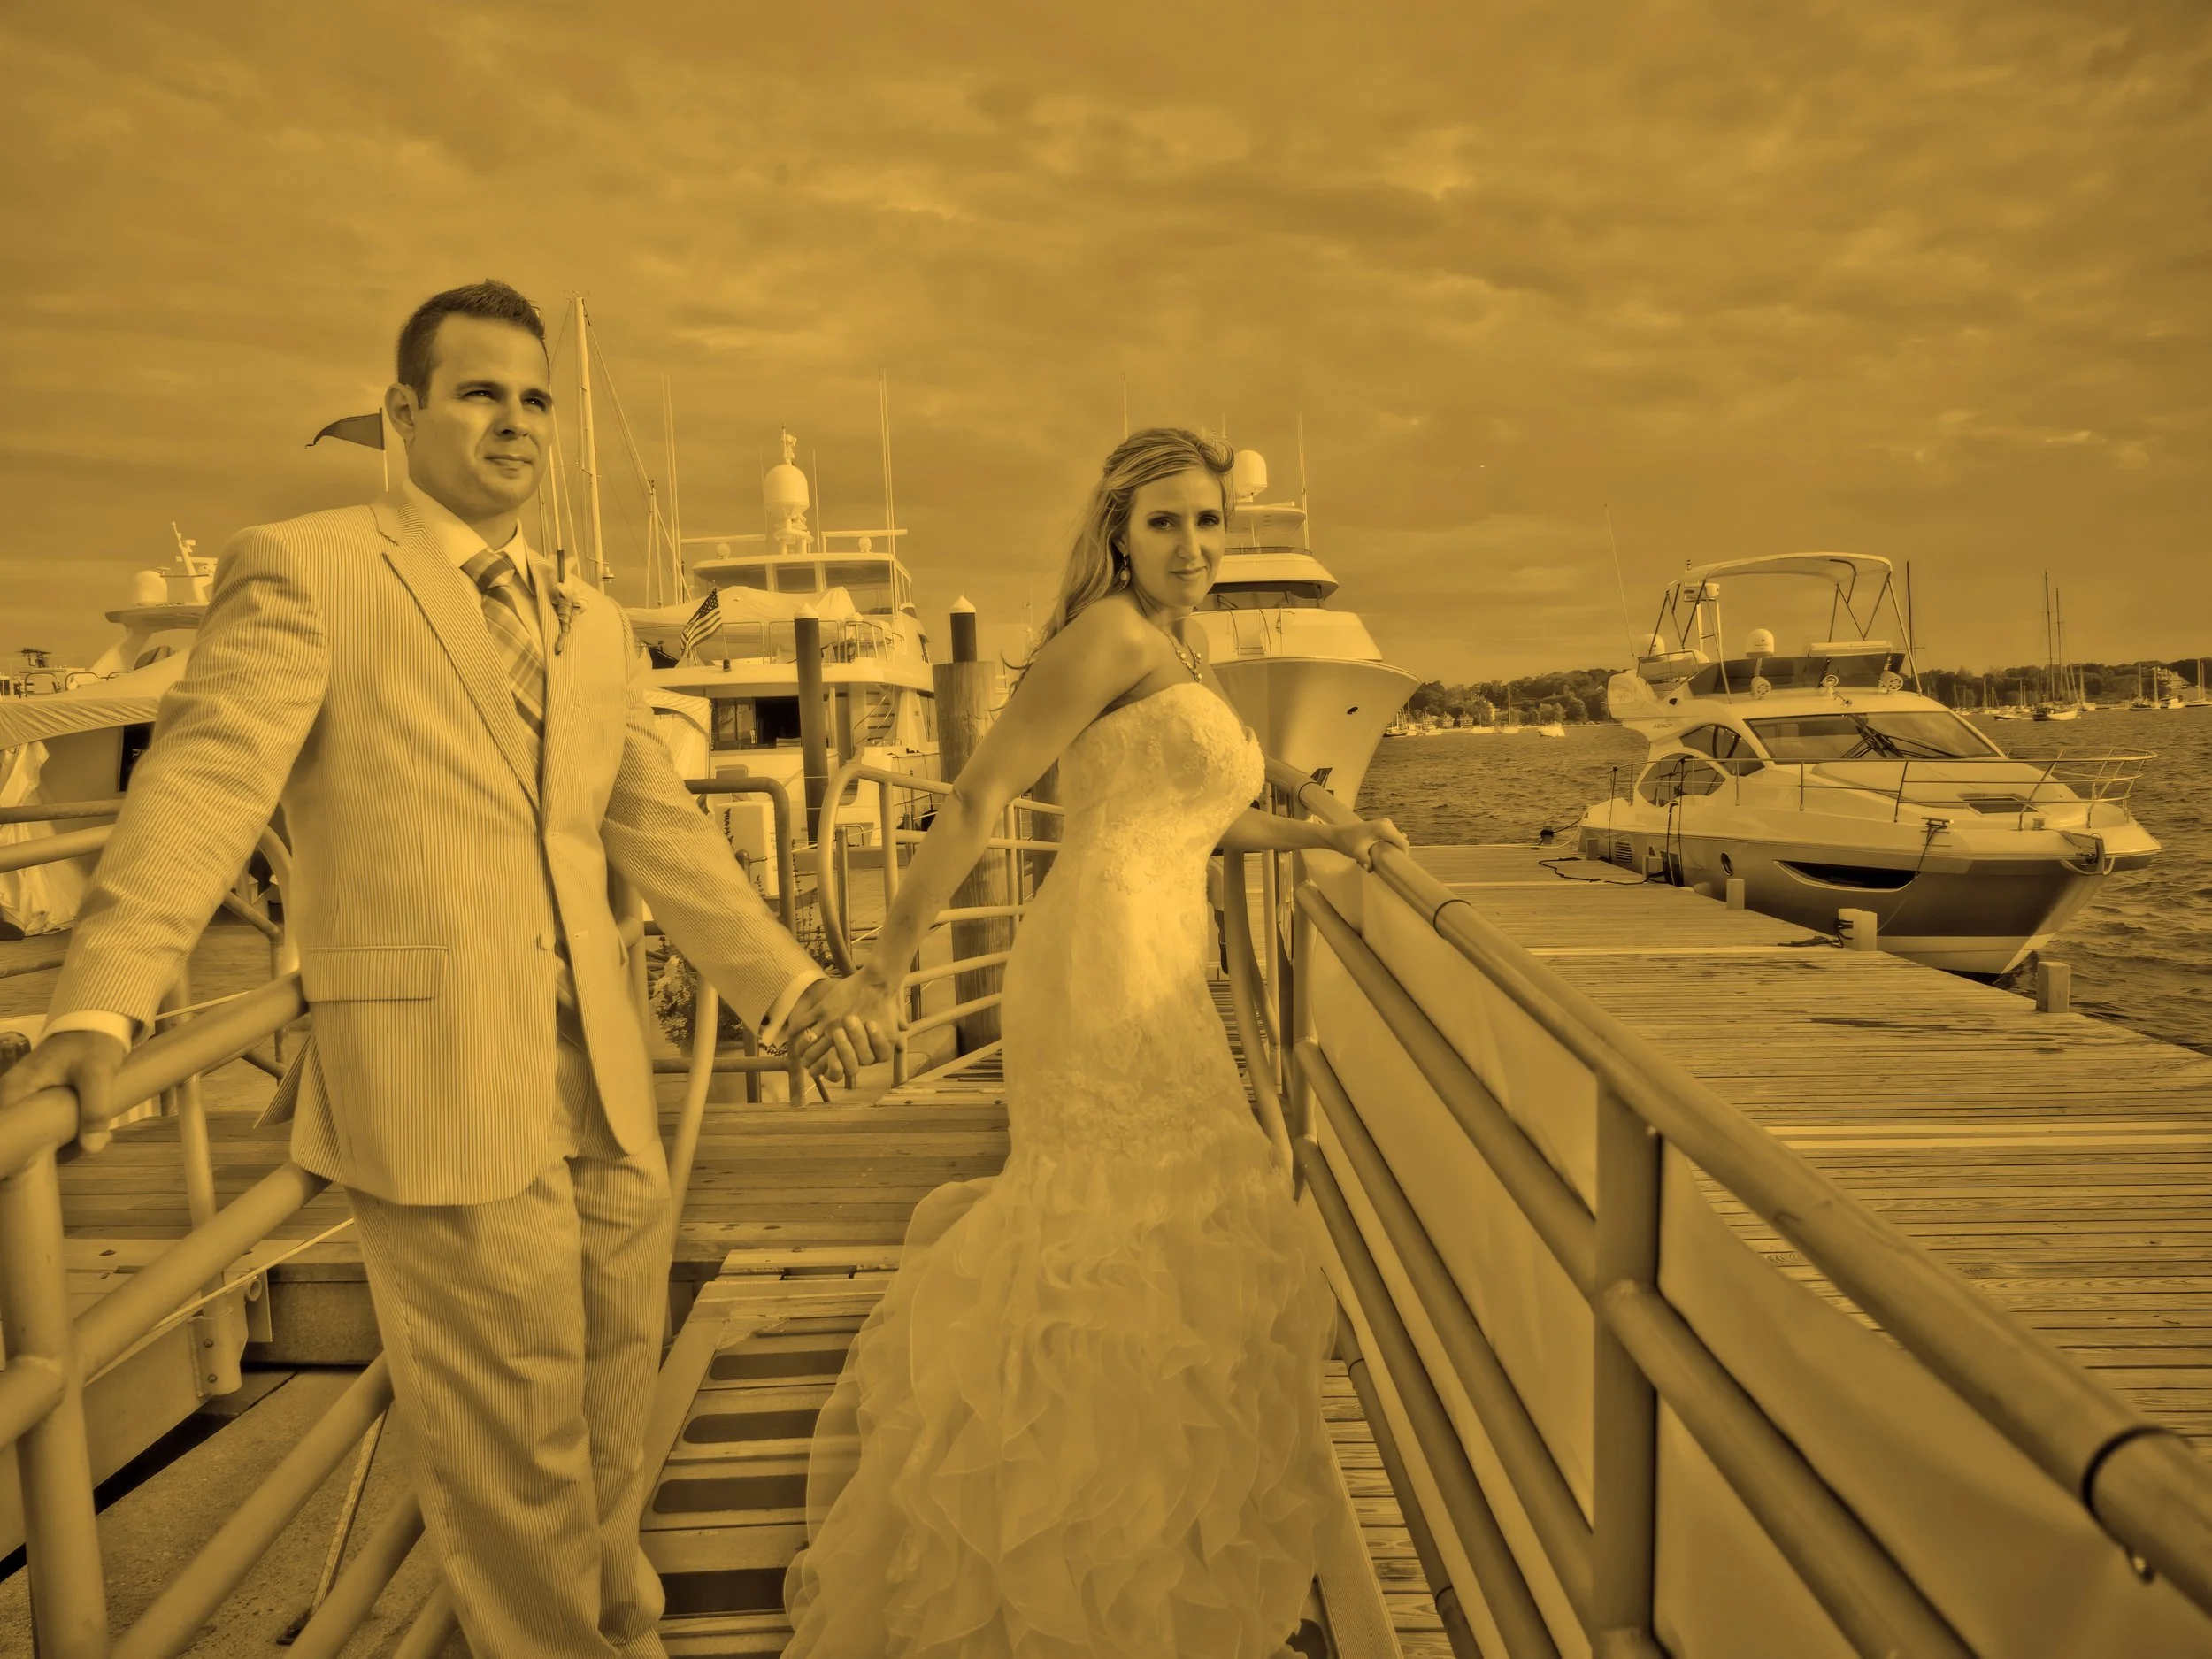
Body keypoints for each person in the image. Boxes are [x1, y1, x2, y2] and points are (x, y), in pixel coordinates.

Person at [0, 280, 887, 1658]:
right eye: (480, 392)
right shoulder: (309, 570)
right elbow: (204, 783)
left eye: (536, 398)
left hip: (606, 1083)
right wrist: (102, 1002)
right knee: (515, 1460)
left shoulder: (589, 619)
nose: (514, 421)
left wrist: (793, 986)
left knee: (603, 1411)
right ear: (405, 412)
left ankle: (621, 1628)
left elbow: (651, 824)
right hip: (437, 1077)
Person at [781, 427, 1408, 1655]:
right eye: (1166, 520)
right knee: (1112, 1233)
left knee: (1164, 1239)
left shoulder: (1178, 650)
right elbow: (976, 796)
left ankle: (1145, 1547)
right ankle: (1067, 1563)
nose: (1193, 544)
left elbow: (1199, 826)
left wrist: (1328, 837)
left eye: (1210, 522)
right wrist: (883, 966)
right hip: (1099, 961)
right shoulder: (1111, 637)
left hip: (1161, 952)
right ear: (1119, 533)